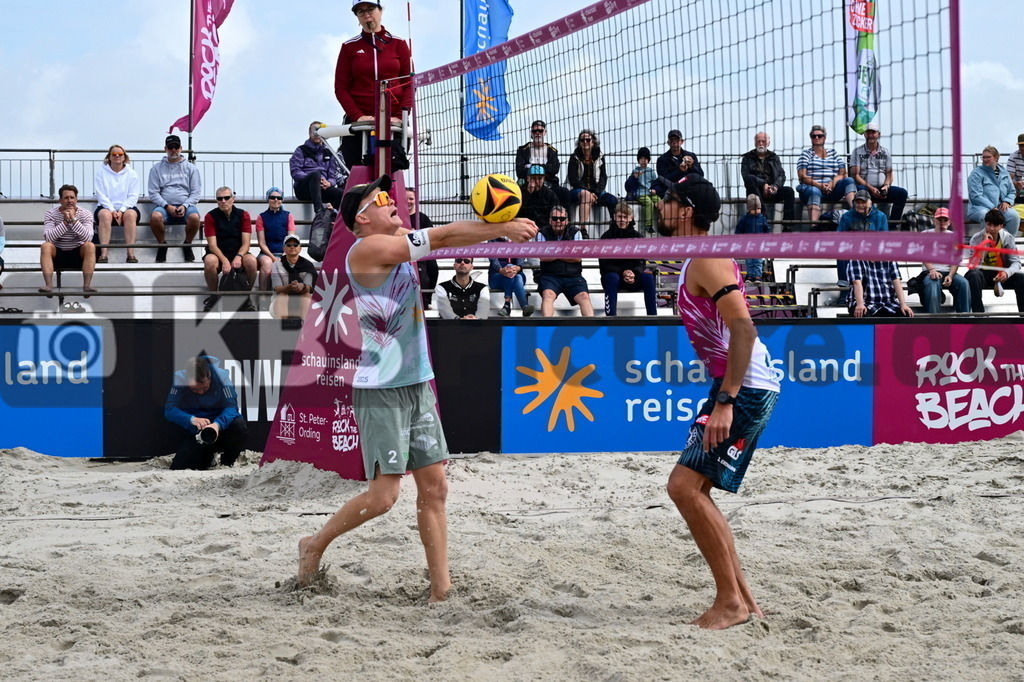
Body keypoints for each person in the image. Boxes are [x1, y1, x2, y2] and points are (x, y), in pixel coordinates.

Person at [296, 175, 537, 601]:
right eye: (381, 198)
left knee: (435, 488)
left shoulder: (397, 236)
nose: (392, 201)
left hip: (417, 382)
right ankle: (314, 543)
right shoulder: (366, 250)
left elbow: (448, 239)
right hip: (381, 387)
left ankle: (440, 591)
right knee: (384, 496)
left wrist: (492, 227)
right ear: (362, 218)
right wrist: (501, 227)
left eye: (390, 195)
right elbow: (443, 235)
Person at [657, 175, 780, 630]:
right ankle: (743, 599)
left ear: (686, 209)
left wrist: (726, 401)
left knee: (683, 488)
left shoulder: (707, 257)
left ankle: (730, 602)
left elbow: (744, 330)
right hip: (736, 383)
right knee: (697, 490)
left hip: (745, 387)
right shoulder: (696, 256)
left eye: (667, 198)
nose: (660, 204)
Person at [334, 1, 413, 169]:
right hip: (359, 123)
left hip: (394, 122)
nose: (366, 14)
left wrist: (401, 116)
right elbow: (341, 88)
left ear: (380, 11)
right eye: (360, 11)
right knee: (358, 172)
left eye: (370, 9)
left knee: (391, 172)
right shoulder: (349, 47)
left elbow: (409, 84)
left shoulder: (399, 44)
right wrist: (357, 116)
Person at [164, 355, 248, 470]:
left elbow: (232, 406)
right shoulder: (179, 378)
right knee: (179, 467)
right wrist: (192, 419)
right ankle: (209, 456)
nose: (200, 392)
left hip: (220, 425)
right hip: (198, 430)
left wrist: (217, 424)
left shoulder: (221, 376)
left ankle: (227, 462)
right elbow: (170, 409)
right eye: (195, 389)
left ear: (210, 377)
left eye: (204, 388)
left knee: (239, 425)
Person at [202, 187, 257, 313]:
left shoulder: (243, 215)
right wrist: (225, 260)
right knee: (210, 261)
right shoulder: (210, 216)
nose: (223, 201)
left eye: (226, 198)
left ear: (233, 199)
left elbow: (246, 244)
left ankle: (245, 298)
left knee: (252, 261)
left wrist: (238, 256)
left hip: (238, 252)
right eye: (219, 198)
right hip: (218, 253)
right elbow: (212, 246)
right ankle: (213, 297)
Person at [148, 134, 202, 263]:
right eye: (170, 147)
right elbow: (153, 192)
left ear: (181, 148)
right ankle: (162, 244)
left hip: (186, 205)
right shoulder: (156, 168)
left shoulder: (191, 168)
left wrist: (185, 206)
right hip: (164, 206)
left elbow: (196, 192)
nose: (173, 150)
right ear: (165, 149)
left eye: (176, 147)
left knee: (195, 218)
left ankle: (187, 244)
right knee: (155, 217)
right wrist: (167, 206)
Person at [598, 202, 657, 316]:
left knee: (649, 278)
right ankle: (611, 319)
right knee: (611, 277)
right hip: (614, 277)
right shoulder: (606, 237)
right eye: (620, 216)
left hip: (632, 276)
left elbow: (641, 262)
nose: (622, 220)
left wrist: (634, 273)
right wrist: (622, 272)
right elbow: (604, 265)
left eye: (625, 217)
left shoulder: (638, 237)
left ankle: (652, 318)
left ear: (631, 218)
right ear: (614, 217)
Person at [537, 205, 594, 316]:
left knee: (584, 296)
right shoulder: (541, 233)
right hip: (550, 275)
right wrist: (566, 252)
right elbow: (543, 257)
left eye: (562, 219)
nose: (558, 221)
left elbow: (577, 257)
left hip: (573, 276)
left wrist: (554, 253)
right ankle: (547, 329)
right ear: (550, 220)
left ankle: (591, 329)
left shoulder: (576, 232)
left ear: (567, 221)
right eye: (555, 218)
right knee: (547, 295)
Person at [835, 190, 890, 306]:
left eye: (863, 202)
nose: (860, 205)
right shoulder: (847, 216)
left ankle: (881, 293)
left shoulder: (881, 216)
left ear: (870, 203)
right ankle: (844, 293)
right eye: (857, 202)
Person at [39, 185, 97, 295]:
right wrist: (65, 222)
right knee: (46, 246)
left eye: (72, 197)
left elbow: (88, 237)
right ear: (60, 200)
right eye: (66, 198)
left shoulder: (85, 214)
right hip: (58, 253)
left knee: (90, 246)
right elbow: (48, 237)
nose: (69, 201)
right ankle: (49, 285)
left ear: (76, 199)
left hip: (78, 254)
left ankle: (87, 286)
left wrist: (74, 220)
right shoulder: (51, 213)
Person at [796, 125, 856, 228]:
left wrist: (833, 182)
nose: (816, 138)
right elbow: (802, 176)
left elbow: (843, 172)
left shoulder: (833, 153)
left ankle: (856, 213)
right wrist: (820, 185)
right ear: (811, 138)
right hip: (813, 187)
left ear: (824, 138)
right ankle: (813, 227)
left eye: (819, 136)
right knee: (814, 192)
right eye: (813, 136)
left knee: (849, 180)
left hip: (832, 188)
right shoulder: (806, 154)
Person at [965, 208, 1024, 313]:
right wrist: (984, 246)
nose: (991, 228)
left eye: (995, 225)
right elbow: (973, 266)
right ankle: (979, 316)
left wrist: (1006, 273)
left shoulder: (1008, 238)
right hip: (982, 274)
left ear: (1001, 226)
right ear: (985, 223)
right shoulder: (976, 238)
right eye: (989, 224)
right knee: (973, 275)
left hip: (1001, 273)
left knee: (1021, 278)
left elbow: (1016, 263)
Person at [849, 122, 909, 225]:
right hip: (865, 187)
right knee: (861, 192)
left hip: (881, 188)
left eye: (873, 132)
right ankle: (868, 224)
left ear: (878, 134)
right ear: (864, 135)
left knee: (902, 193)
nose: (871, 135)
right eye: (868, 132)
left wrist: (886, 186)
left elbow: (889, 174)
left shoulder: (885, 152)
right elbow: (855, 175)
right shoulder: (857, 151)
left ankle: (892, 225)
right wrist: (871, 188)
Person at [739, 131, 796, 229]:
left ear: (768, 143)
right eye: (758, 141)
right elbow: (745, 176)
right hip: (756, 193)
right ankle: (763, 215)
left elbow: (781, 175)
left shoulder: (774, 157)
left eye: (763, 141)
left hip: (772, 191)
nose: (761, 144)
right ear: (755, 143)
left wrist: (775, 186)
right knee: (750, 179)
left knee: (789, 191)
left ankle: (788, 226)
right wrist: (763, 184)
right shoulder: (747, 158)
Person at [93, 144, 140, 263]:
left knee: (130, 215)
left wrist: (122, 210)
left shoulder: (132, 174)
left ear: (124, 157)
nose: (117, 156)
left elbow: (133, 196)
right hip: (106, 207)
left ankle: (131, 254)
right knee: (104, 215)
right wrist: (112, 210)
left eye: (120, 154)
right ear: (109, 157)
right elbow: (101, 195)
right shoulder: (101, 173)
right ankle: (103, 254)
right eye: (114, 154)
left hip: (127, 208)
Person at [917, 207, 969, 313]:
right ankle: (934, 322)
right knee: (932, 284)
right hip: (930, 271)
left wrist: (950, 275)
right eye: (939, 219)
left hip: (948, 272)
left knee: (964, 283)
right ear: (934, 220)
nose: (942, 222)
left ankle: (964, 318)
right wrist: (932, 270)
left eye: (945, 220)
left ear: (949, 222)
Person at [566, 129, 619, 232]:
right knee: (586, 195)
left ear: (593, 142)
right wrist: (589, 193)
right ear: (579, 143)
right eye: (582, 140)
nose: (585, 142)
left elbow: (603, 177)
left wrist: (596, 192)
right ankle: (583, 229)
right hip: (577, 190)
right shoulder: (574, 157)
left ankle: (615, 227)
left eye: (588, 139)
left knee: (612, 200)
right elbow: (573, 179)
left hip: (596, 191)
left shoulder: (600, 156)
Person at [290, 122, 346, 214]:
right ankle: (319, 210)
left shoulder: (329, 153)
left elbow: (332, 176)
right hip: (304, 189)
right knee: (316, 175)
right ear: (309, 133)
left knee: (341, 193)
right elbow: (295, 172)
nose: (316, 134)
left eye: (319, 130)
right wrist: (315, 179)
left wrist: (329, 183)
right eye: (314, 131)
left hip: (322, 189)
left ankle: (333, 215)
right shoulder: (300, 150)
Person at [514, 119, 570, 207]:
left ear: (545, 132)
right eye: (534, 131)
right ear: (531, 132)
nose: (537, 133)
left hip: (549, 184)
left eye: (540, 130)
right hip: (528, 184)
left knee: (564, 192)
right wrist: (545, 168)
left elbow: (555, 169)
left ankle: (564, 218)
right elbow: (519, 171)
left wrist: (531, 166)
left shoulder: (552, 150)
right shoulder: (523, 150)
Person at [967, 146, 1020, 235]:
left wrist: (1007, 201)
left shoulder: (1004, 173)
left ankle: (1007, 244)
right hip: (980, 208)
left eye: (988, 157)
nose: (985, 159)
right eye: (983, 157)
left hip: (1000, 207)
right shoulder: (976, 173)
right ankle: (987, 245)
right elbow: (975, 195)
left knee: (1014, 216)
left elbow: (1012, 191)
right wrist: (992, 207)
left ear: (996, 158)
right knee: (987, 216)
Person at [255, 187, 297, 293]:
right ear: (268, 199)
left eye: (279, 198)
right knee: (267, 263)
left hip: (285, 253)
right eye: (272, 197)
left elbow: (290, 240)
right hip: (266, 254)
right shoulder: (261, 217)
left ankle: (286, 299)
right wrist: (273, 258)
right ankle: (263, 297)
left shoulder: (288, 216)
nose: (276, 200)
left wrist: (284, 255)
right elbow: (262, 243)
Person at [270, 235, 318, 320]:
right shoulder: (276, 265)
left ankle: (305, 330)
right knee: (282, 296)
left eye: (295, 245)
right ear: (284, 248)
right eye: (288, 245)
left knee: (306, 296)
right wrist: (290, 287)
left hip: (301, 302)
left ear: (300, 248)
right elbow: (277, 288)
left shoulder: (308, 265)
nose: (292, 247)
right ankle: (282, 328)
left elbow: (309, 287)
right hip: (280, 303)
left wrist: (302, 286)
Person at [847, 258, 914, 318]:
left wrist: (903, 305)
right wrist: (860, 304)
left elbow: (897, 282)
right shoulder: (856, 259)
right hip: (865, 302)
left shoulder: (890, 259)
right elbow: (856, 282)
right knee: (863, 315)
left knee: (906, 314)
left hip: (888, 303)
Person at [407, 186, 438, 309]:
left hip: (422, 252)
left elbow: (431, 236)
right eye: (406, 199)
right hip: (403, 253)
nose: (408, 201)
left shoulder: (423, 218)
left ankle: (426, 299)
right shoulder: (396, 217)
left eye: (411, 198)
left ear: (416, 200)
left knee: (432, 267)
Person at [488, 239, 534, 317]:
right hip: (496, 276)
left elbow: (521, 259)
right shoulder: (492, 240)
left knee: (516, 275)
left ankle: (507, 305)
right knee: (513, 275)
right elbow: (493, 260)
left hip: (516, 274)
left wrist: (518, 268)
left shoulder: (518, 238)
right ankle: (524, 306)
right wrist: (501, 270)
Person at [735, 194, 771, 284]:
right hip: (748, 244)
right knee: (749, 260)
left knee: (758, 260)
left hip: (759, 244)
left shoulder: (762, 218)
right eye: (754, 209)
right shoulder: (745, 219)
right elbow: (739, 230)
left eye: (758, 209)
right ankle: (750, 276)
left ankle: (758, 276)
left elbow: (767, 229)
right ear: (749, 209)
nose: (757, 211)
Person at [625, 147, 659, 234]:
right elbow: (629, 185)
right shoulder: (635, 171)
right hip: (640, 193)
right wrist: (634, 177)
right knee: (649, 203)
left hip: (650, 192)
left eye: (645, 158)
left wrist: (655, 189)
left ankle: (662, 221)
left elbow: (656, 183)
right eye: (641, 158)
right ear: (638, 160)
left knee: (659, 201)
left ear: (648, 160)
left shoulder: (651, 171)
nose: (643, 160)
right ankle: (648, 225)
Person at [519, 164, 560, 229]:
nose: (537, 181)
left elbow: (556, 212)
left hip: (545, 229)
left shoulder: (550, 194)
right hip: (525, 227)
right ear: (527, 179)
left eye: (540, 178)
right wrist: (528, 193)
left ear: (544, 179)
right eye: (533, 178)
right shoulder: (520, 192)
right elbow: (518, 212)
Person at [1007, 133, 1024, 221]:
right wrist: (1015, 184)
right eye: (1021, 145)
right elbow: (1009, 177)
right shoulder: (1013, 156)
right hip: (1018, 190)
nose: (1022, 148)